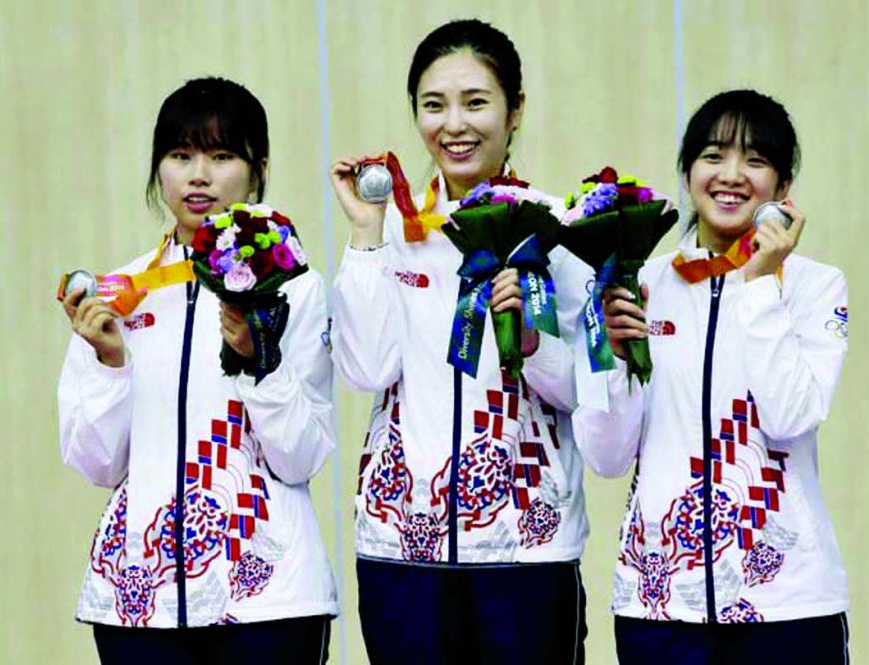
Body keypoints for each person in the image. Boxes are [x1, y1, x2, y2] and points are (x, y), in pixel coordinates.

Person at [330, 19, 590, 665]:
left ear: (515, 109)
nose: (455, 124)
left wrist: (532, 340)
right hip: (400, 546)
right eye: (433, 105)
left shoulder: (558, 229)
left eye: (475, 102)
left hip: (525, 544)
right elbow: (364, 369)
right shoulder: (392, 227)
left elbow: (587, 391)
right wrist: (366, 235)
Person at [58, 77, 336, 663]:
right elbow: (96, 463)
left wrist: (258, 360)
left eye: (221, 155)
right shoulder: (122, 293)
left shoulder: (292, 286)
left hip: (269, 598)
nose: (198, 175)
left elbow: (301, 455)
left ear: (257, 170)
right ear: (159, 169)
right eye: (180, 155)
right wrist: (110, 364)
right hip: (139, 601)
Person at [573, 89, 849, 663]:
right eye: (713, 155)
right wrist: (615, 361)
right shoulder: (639, 284)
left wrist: (762, 283)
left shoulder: (815, 286)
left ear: (784, 186)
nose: (731, 175)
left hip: (785, 603)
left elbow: (789, 416)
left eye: (755, 160)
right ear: (688, 171)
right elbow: (605, 456)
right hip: (659, 606)